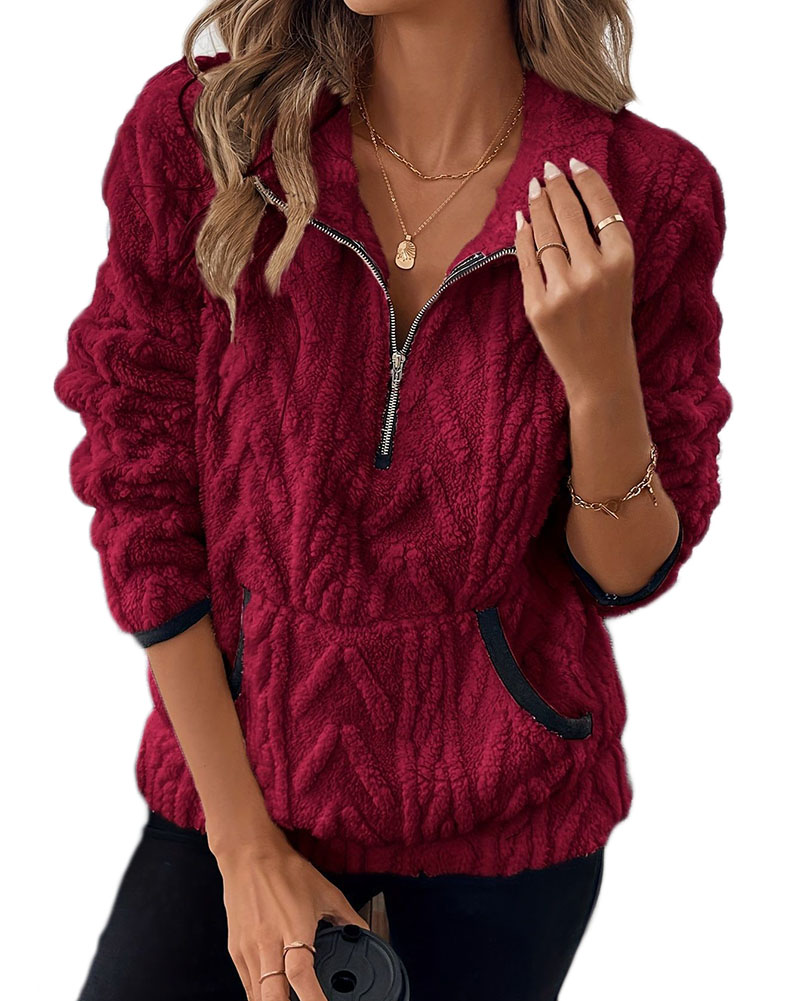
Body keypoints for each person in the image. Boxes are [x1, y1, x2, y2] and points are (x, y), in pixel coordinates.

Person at [52, 1, 733, 999]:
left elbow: (622, 571)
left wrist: (597, 381)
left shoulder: (644, 193)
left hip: (499, 843)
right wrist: (244, 848)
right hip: (229, 801)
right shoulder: (207, 136)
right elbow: (138, 490)